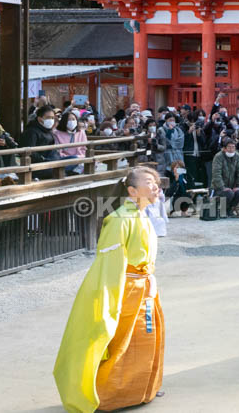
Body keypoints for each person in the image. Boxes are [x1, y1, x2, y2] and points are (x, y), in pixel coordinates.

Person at [53, 167, 164, 412]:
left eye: (155, 182)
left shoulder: (141, 215)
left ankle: (142, 388)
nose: (156, 186)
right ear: (132, 191)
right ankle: (110, 394)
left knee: (145, 339)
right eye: (149, 182)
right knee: (123, 342)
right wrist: (108, 298)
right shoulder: (119, 219)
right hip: (127, 289)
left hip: (143, 286)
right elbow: (110, 264)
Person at [209, 138, 239, 216]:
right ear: (224, 148)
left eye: (233, 147)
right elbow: (216, 174)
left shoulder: (237, 156)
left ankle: (229, 209)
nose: (231, 149)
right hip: (218, 187)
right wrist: (222, 187)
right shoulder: (218, 156)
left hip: (232, 186)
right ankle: (222, 210)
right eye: (229, 147)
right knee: (229, 193)